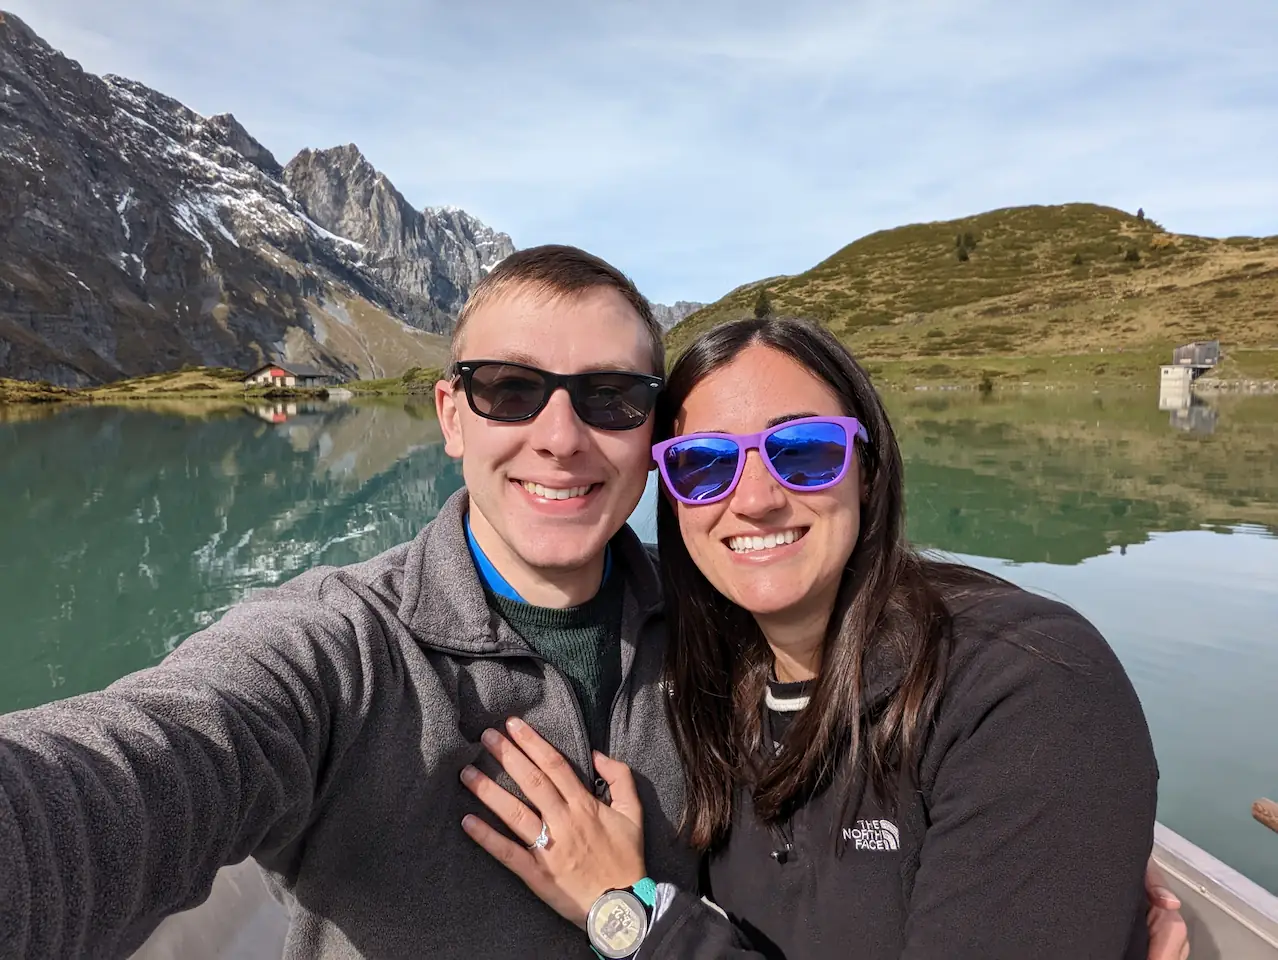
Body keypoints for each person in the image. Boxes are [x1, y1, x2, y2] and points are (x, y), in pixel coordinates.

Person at [0, 250, 1185, 960]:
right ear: (450, 414)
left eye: (612, 398)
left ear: (643, 447)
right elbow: (135, 769)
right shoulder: (337, 648)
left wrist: (628, 912)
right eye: (510, 389)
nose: (558, 437)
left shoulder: (729, 635)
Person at [459, 316, 1185, 959]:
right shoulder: (711, 693)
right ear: (671, 495)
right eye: (704, 465)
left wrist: (630, 915)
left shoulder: (1027, 688)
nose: (757, 499)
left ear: (866, 469)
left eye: (803, 451)